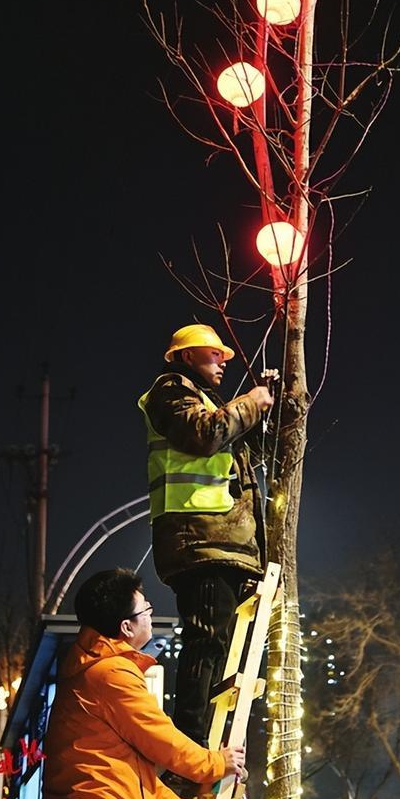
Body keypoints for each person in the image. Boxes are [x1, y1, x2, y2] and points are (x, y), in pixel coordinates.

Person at [137, 323, 276, 757]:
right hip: (198, 540)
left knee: (219, 647)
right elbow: (205, 434)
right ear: (183, 357)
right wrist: (251, 403)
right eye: (212, 354)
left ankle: (208, 746)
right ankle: (192, 746)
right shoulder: (169, 392)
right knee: (205, 639)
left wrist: (265, 410)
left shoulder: (210, 401)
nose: (221, 362)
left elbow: (248, 449)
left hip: (223, 542)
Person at [40, 568, 245, 799]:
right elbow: (161, 739)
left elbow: (125, 768)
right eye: (145, 609)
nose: (150, 615)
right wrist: (215, 763)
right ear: (126, 627)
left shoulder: (92, 670)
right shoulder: (111, 674)